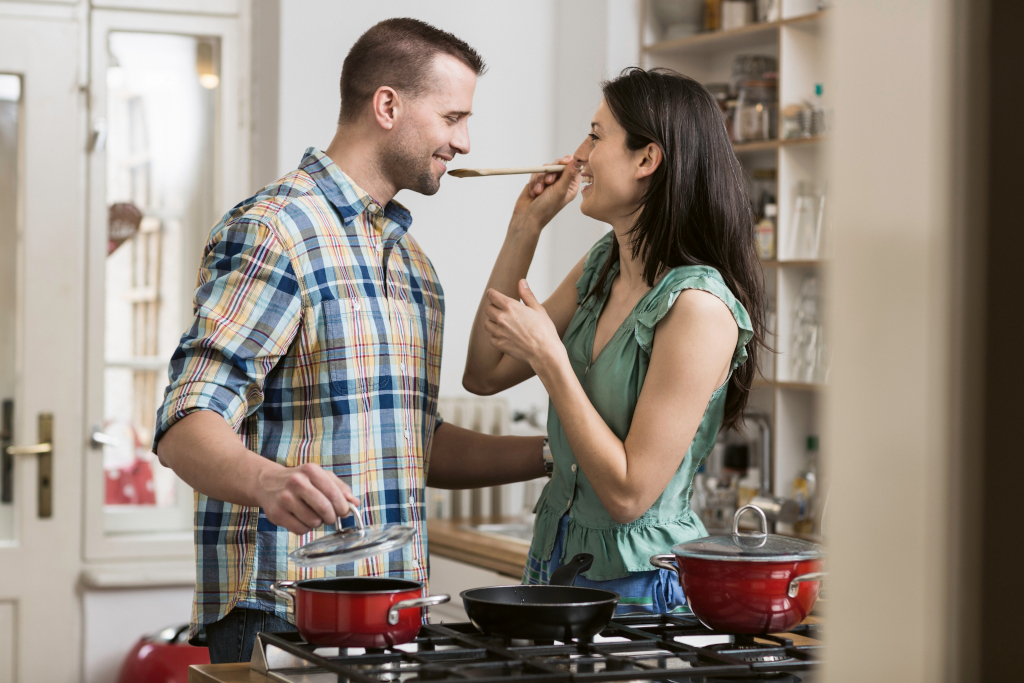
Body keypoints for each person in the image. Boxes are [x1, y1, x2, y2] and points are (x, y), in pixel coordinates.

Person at [154, 18, 547, 664]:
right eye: (452, 117)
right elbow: (183, 422)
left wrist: (560, 453)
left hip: (393, 612)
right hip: (282, 616)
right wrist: (267, 481)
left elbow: (418, 443)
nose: (465, 142)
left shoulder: (414, 268)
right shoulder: (276, 231)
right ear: (387, 105)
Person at [463, 67, 767, 614]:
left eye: (597, 136)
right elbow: (484, 373)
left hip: (638, 590)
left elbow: (629, 496)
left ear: (646, 159)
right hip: (552, 564)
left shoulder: (698, 308)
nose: (579, 155)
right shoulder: (602, 265)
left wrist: (550, 359)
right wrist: (524, 229)